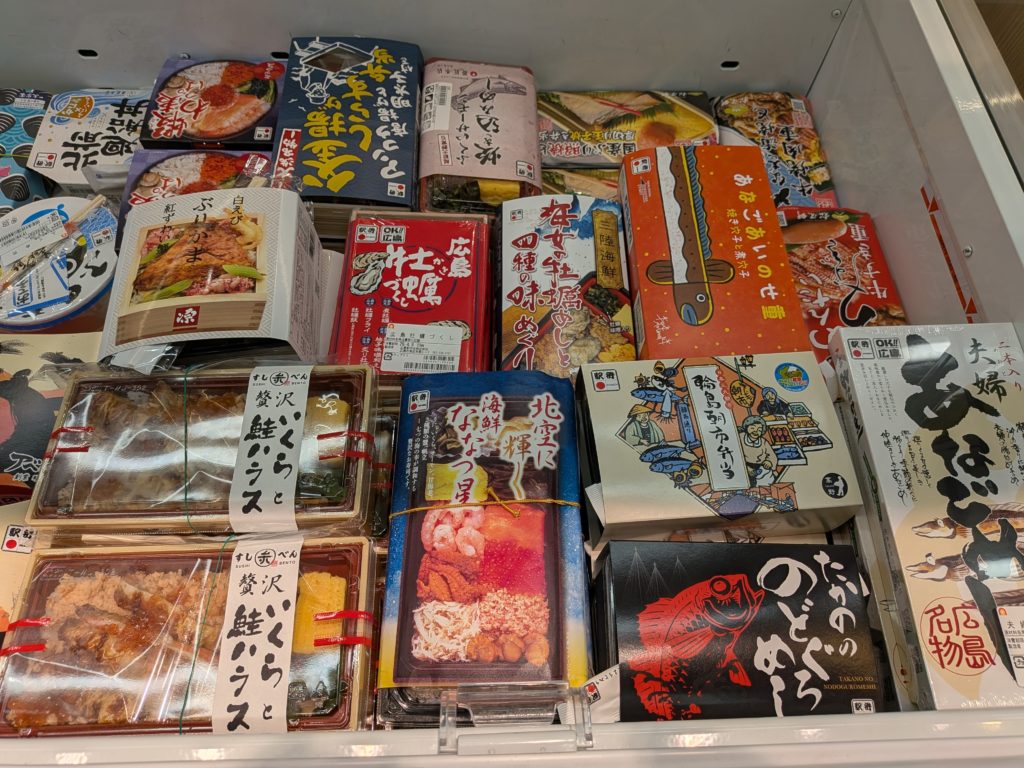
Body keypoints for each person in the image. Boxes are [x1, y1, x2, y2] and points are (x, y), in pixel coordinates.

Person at [740, 415, 777, 486]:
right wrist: (746, 468)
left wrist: (769, 462)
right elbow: (735, 455)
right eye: (752, 428)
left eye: (759, 430)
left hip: (760, 467)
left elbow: (772, 456)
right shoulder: (740, 437)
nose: (755, 431)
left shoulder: (763, 442)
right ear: (746, 427)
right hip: (744, 466)